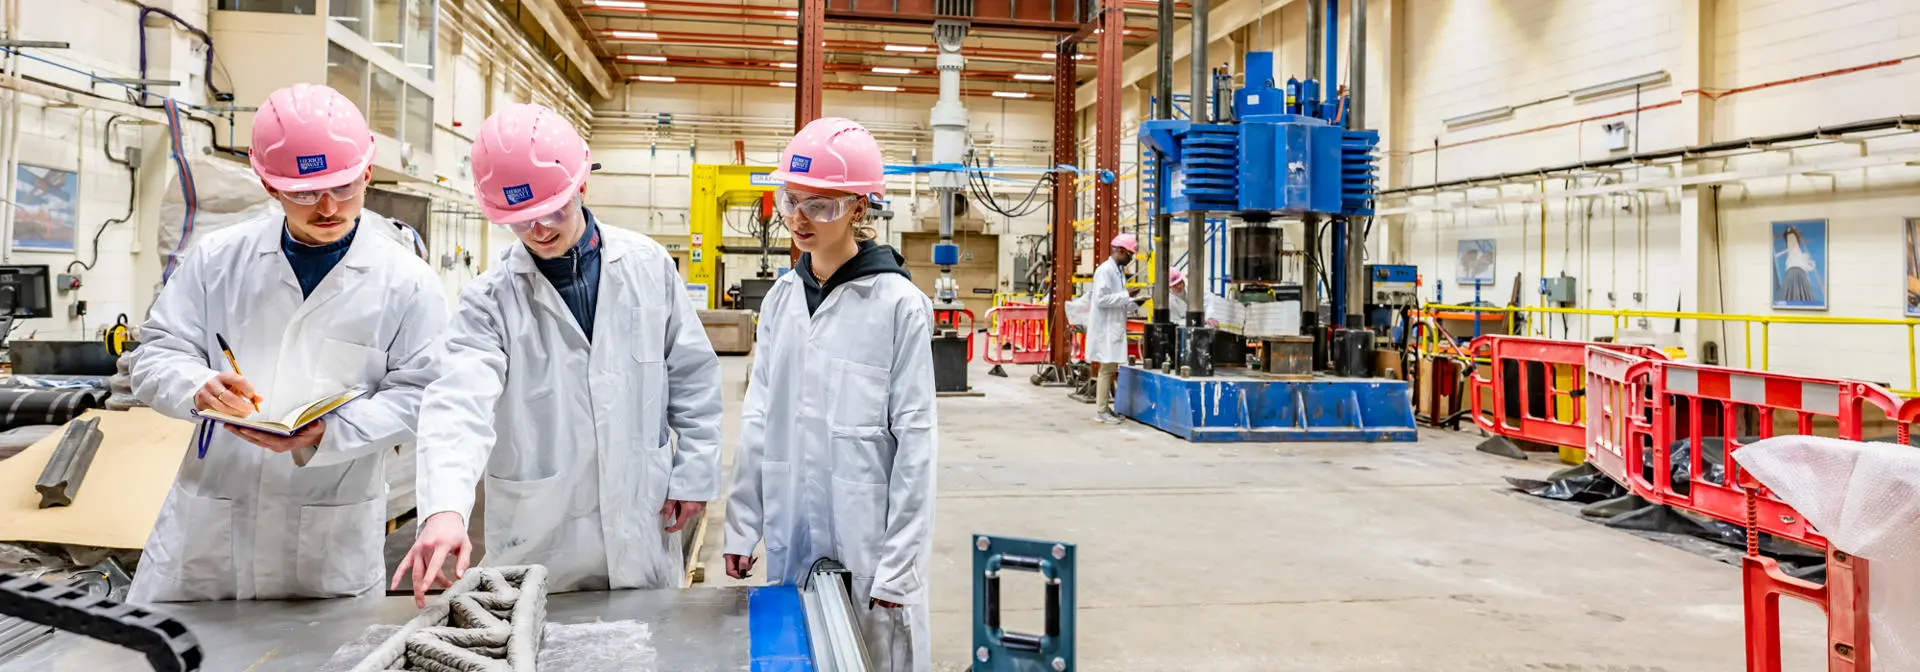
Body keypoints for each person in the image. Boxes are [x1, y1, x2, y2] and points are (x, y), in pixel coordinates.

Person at [127, 83, 446, 603]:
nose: (327, 207)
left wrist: (331, 432)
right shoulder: (216, 260)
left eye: (343, 186)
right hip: (207, 530)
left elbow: (424, 393)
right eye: (303, 193)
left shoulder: (407, 283)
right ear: (269, 185)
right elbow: (156, 354)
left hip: (328, 539)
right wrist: (197, 386)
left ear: (367, 173)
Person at [393, 104, 724, 602]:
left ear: (581, 185)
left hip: (641, 524)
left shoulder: (648, 266)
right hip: (540, 538)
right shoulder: (489, 301)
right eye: (520, 221)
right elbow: (458, 404)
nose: (540, 230)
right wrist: (444, 509)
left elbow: (692, 377)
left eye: (552, 211)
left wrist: (695, 471)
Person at [721, 117, 937, 671]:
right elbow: (759, 416)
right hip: (792, 526)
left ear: (859, 208)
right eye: (791, 200)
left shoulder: (898, 305)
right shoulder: (782, 300)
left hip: (868, 540)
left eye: (819, 206)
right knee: (798, 651)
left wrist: (900, 567)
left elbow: (916, 443)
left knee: (873, 654)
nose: (798, 219)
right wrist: (743, 525)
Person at [1088, 233, 1137, 423]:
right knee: (1106, 369)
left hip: (1113, 327)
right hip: (1105, 328)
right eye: (1130, 255)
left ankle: (1105, 408)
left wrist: (1135, 302)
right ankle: (1101, 411)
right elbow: (1101, 300)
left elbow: (1118, 301)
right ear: (1121, 251)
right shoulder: (1105, 271)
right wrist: (1126, 295)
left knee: (1109, 367)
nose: (1130, 259)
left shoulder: (1117, 272)